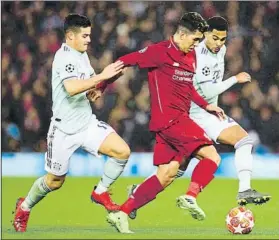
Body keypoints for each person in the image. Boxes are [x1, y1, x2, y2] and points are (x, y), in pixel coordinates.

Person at [103, 12, 226, 234]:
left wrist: (206, 105)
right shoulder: (159, 52)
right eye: (195, 39)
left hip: (176, 121)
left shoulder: (191, 55)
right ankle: (190, 196)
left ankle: (121, 213)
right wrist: (101, 83)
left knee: (167, 174)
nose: (196, 44)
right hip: (171, 120)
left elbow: (188, 87)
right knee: (212, 156)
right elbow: (126, 61)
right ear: (181, 34)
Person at [13, 14, 129, 232]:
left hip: (86, 124)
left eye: (89, 35)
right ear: (70, 36)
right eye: (85, 36)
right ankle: (25, 207)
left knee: (122, 151)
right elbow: (72, 88)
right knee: (55, 181)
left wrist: (101, 86)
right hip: (63, 129)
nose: (88, 40)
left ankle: (100, 191)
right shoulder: (63, 57)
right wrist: (101, 75)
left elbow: (87, 88)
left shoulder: (81, 54)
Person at [175, 16, 271, 208]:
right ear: (205, 34)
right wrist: (235, 79)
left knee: (243, 140)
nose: (219, 43)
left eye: (223, 39)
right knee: (177, 166)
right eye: (215, 38)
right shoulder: (199, 55)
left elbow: (211, 89)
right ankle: (138, 193)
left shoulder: (221, 50)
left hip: (207, 113)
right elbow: (208, 91)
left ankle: (244, 189)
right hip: (194, 114)